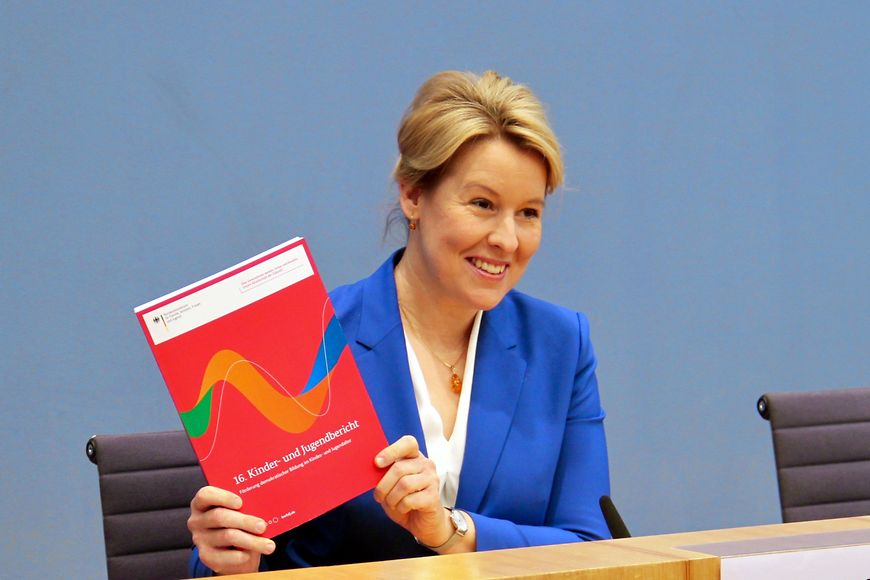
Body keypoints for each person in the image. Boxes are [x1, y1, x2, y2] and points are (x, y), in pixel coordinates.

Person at [187, 70, 611, 575]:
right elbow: (235, 559)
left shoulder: (561, 345)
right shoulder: (311, 338)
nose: (507, 239)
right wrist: (231, 560)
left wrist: (451, 531)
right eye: (482, 204)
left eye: (528, 213)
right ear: (413, 196)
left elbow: (592, 547)